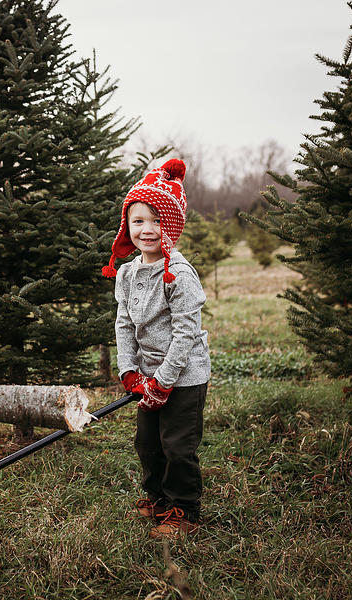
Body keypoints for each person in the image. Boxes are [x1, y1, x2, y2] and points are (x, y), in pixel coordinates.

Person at [102, 158, 210, 539]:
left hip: (182, 376)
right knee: (148, 442)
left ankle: (184, 509)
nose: (147, 229)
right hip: (147, 376)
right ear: (127, 226)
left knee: (177, 444)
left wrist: (163, 381)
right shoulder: (129, 273)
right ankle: (158, 498)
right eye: (138, 221)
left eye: (156, 221)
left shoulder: (178, 274)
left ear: (172, 227)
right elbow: (124, 323)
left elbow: (185, 334)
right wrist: (130, 372)